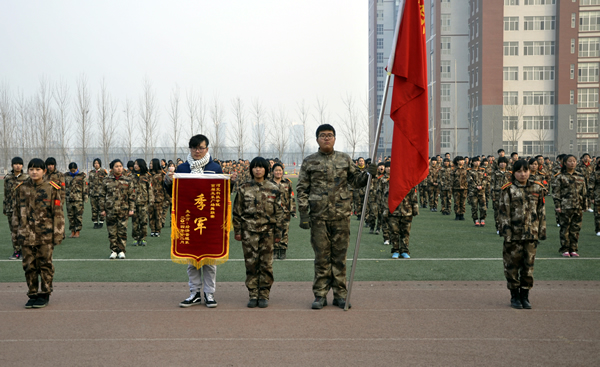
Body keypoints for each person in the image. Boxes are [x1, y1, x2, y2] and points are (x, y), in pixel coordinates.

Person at [296, 124, 376, 309]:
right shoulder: (309, 161)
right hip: (318, 217)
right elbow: (301, 189)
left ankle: (340, 294)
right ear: (317, 139)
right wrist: (303, 213)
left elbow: (356, 181)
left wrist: (368, 175)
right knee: (321, 257)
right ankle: (320, 295)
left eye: (330, 135)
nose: (326, 138)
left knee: (340, 257)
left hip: (341, 216)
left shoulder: (344, 159)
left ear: (335, 138)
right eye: (322, 135)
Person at [165, 134, 235, 308]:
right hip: (188, 220)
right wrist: (167, 182)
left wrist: (231, 183)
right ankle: (194, 292)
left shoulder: (215, 168)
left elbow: (222, 192)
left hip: (210, 221)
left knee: (210, 260)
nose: (197, 151)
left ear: (207, 149)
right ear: (190, 149)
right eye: (194, 148)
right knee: (191, 259)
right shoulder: (182, 168)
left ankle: (209, 293)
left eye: (201, 148)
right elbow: (173, 193)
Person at [13, 158, 64, 308]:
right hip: (26, 233)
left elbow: (58, 213)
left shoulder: (51, 188)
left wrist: (58, 233)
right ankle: (33, 293)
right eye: (31, 169)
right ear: (27, 171)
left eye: (38, 169)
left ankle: (45, 293)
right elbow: (16, 213)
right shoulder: (21, 188)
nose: (34, 172)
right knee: (29, 265)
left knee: (45, 264)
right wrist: (15, 234)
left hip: (45, 234)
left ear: (44, 171)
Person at [233, 157, 283, 308]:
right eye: (255, 167)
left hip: (268, 232)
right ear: (251, 169)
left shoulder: (274, 188)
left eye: (261, 167)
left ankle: (264, 294)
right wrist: (238, 231)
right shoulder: (243, 188)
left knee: (266, 264)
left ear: (266, 169)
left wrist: (279, 233)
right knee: (251, 264)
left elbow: (280, 213)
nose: (258, 170)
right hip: (249, 232)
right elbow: (237, 211)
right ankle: (253, 293)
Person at [498, 159, 546, 309]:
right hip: (513, 235)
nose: (522, 174)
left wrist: (541, 231)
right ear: (514, 173)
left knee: (528, 266)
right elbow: (503, 212)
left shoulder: (538, 188)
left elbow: (541, 211)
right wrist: (506, 232)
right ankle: (514, 296)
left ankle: (525, 295)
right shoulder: (508, 189)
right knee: (511, 266)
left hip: (531, 234)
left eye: (525, 170)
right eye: (519, 171)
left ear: (530, 171)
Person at [378, 163, 418, 259]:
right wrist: (383, 209)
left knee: (405, 232)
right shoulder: (388, 181)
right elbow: (381, 196)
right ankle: (395, 250)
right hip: (392, 210)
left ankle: (404, 250)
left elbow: (413, 196)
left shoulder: (409, 181)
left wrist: (415, 209)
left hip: (407, 210)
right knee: (394, 231)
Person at [99, 159, 135, 259]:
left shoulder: (127, 180)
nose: (119, 168)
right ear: (112, 168)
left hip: (123, 210)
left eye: (120, 166)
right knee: (112, 232)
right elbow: (102, 195)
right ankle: (114, 250)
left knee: (122, 231)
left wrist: (131, 209)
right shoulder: (106, 180)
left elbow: (131, 196)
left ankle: (122, 251)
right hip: (110, 210)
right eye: (116, 166)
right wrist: (102, 209)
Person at [552, 154, 586, 257]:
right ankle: (565, 249)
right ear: (565, 163)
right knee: (565, 228)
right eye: (570, 161)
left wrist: (585, 205)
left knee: (575, 228)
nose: (572, 163)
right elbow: (556, 193)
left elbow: (583, 192)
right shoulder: (560, 176)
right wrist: (558, 206)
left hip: (577, 206)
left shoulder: (580, 176)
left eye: (574, 161)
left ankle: (573, 249)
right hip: (565, 206)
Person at [4, 157, 29, 260]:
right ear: (12, 165)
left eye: (20, 164)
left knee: (24, 229)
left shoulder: (27, 178)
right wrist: (5, 208)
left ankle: (25, 251)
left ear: (22, 165)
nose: (18, 165)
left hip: (23, 208)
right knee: (13, 231)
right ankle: (16, 251)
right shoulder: (8, 178)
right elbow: (6, 194)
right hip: (11, 208)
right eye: (15, 164)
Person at [270, 162, 296, 260]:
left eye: (280, 170)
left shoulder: (287, 182)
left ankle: (283, 250)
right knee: (273, 231)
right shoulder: (268, 183)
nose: (278, 172)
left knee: (284, 232)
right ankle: (275, 251)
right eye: (276, 170)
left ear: (282, 171)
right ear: (273, 172)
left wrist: (293, 210)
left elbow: (291, 197)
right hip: (272, 212)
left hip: (285, 212)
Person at [131, 159, 153, 246]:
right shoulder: (131, 176)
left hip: (144, 202)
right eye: (134, 164)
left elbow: (150, 190)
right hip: (134, 203)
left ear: (141, 165)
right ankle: (136, 238)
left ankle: (143, 238)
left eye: (137, 164)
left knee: (144, 221)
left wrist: (151, 201)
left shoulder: (147, 176)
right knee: (135, 222)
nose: (135, 166)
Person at [64, 162, 88, 238]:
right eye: (71, 170)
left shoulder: (82, 175)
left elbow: (85, 187)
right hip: (69, 199)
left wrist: (85, 196)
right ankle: (72, 231)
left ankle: (77, 231)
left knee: (78, 216)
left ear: (77, 168)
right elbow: (63, 186)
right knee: (70, 216)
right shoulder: (66, 176)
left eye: (74, 170)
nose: (73, 172)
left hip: (79, 199)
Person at [88, 158, 108, 229]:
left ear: (100, 164)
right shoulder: (91, 173)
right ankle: (95, 223)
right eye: (95, 163)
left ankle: (101, 222)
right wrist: (88, 193)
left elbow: (106, 183)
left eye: (97, 163)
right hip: (93, 194)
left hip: (101, 194)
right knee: (94, 209)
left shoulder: (103, 172)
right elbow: (89, 183)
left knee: (101, 208)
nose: (96, 164)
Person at [467, 157, 487, 226]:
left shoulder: (482, 170)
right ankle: (476, 220)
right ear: (472, 162)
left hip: (481, 191)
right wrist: (476, 186)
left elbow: (485, 179)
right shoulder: (469, 171)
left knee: (483, 207)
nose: (477, 163)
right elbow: (470, 180)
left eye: (478, 161)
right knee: (474, 207)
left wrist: (482, 185)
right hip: (473, 192)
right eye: (475, 161)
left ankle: (482, 219)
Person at [149, 158, 166, 238]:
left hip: (159, 198)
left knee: (158, 215)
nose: (150, 165)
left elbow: (165, 186)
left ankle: (158, 230)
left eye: (152, 163)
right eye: (150, 163)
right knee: (151, 215)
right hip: (150, 198)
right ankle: (152, 230)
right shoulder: (148, 174)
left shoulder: (161, 174)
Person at [452, 156, 468, 220]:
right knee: (456, 202)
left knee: (463, 202)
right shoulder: (454, 169)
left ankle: (462, 214)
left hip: (464, 188)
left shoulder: (466, 169)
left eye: (463, 160)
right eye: (460, 160)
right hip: (456, 188)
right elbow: (451, 179)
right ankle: (457, 214)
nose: (462, 162)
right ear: (457, 161)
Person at [589, 159, 600, 236]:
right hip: (598, 197)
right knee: (598, 214)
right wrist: (592, 197)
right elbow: (591, 187)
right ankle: (598, 230)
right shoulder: (595, 174)